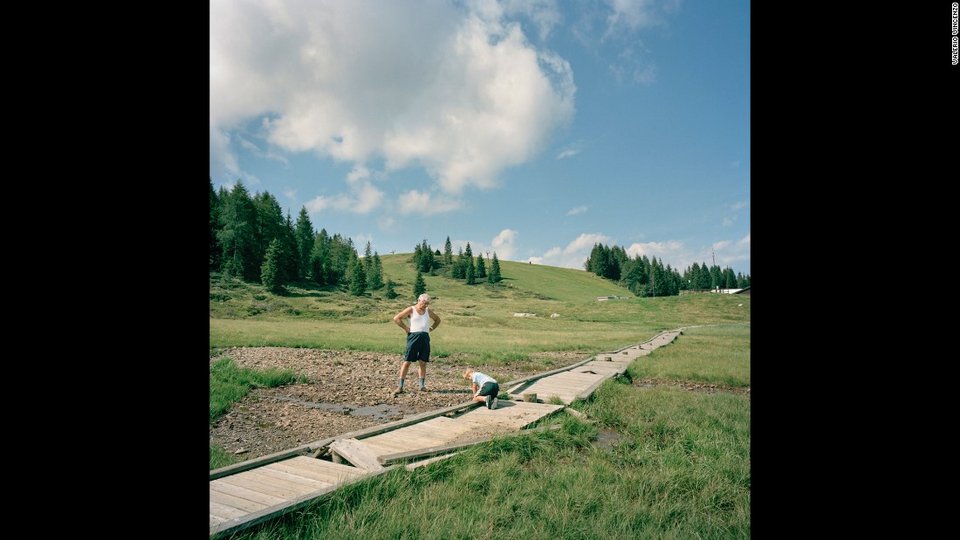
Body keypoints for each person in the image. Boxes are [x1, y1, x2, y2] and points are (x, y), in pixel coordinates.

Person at [392, 293, 441, 394]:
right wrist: (406, 328)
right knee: (407, 361)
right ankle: (400, 387)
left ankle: (422, 386)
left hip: (425, 337)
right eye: (424, 303)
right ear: (419, 300)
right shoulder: (411, 309)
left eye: (427, 303)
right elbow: (397, 318)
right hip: (413, 337)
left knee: (423, 362)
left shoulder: (428, 311)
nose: (425, 305)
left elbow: (437, 320)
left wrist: (431, 328)